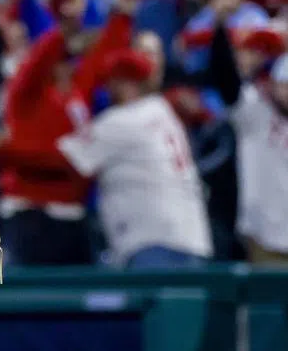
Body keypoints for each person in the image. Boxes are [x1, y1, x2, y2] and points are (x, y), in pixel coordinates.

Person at [56, 48, 213, 269]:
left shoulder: (123, 121)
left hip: (154, 244)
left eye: (112, 82)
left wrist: (3, 146)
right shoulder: (162, 110)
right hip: (192, 241)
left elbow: (61, 158)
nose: (107, 90)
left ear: (126, 84)